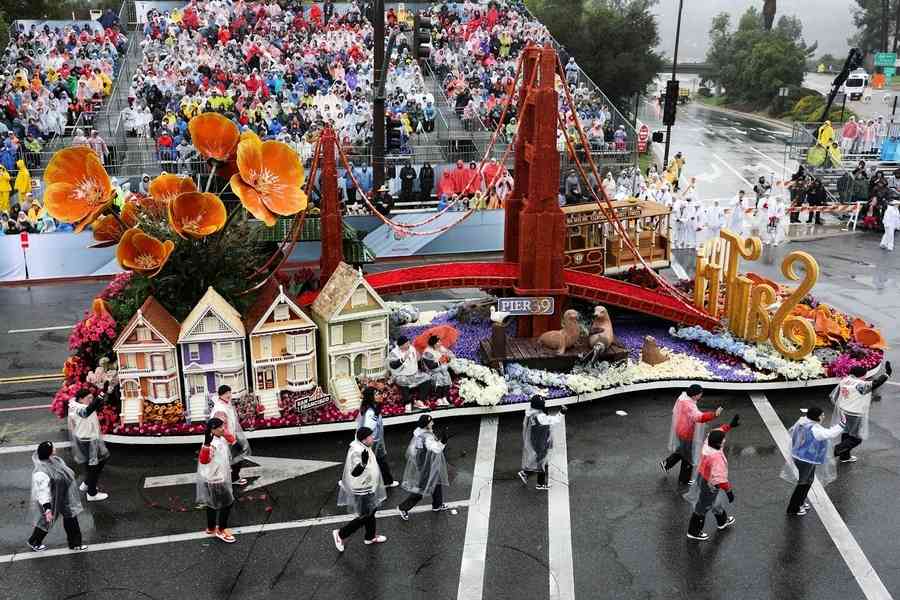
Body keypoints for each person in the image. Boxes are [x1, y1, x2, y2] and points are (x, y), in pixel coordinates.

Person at [333, 427, 388, 551]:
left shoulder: (364, 446)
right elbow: (355, 472)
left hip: (368, 486)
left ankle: (370, 537)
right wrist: (362, 464)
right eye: (370, 436)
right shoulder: (357, 451)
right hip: (362, 488)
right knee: (365, 515)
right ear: (364, 439)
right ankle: (340, 534)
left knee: (371, 511)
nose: (372, 438)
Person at [781, 407, 843, 516]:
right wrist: (842, 424)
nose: (824, 416)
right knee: (803, 482)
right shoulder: (814, 429)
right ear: (817, 417)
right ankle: (793, 508)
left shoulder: (803, 421)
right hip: (806, 459)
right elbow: (829, 434)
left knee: (809, 480)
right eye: (822, 415)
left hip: (800, 456)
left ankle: (800, 502)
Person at [27, 441, 87, 552]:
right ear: (48, 452)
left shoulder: (54, 460)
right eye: (52, 448)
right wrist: (48, 509)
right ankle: (34, 541)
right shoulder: (41, 472)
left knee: (70, 516)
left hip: (63, 496)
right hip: (52, 500)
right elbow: (43, 492)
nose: (55, 448)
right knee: (46, 521)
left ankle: (75, 544)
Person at [659, 385, 724, 485]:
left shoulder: (683, 398)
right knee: (688, 457)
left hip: (680, 429)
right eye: (699, 394)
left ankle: (667, 464)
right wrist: (714, 414)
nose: (700, 396)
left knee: (683, 450)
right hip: (686, 432)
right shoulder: (689, 405)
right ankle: (684, 479)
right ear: (694, 396)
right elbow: (699, 417)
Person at [685, 423, 738, 541]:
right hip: (709, 484)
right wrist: (729, 491)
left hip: (702, 476)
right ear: (720, 443)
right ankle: (693, 531)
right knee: (702, 506)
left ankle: (722, 521)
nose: (725, 439)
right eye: (723, 439)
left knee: (714, 501)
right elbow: (720, 479)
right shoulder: (716, 458)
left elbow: (715, 432)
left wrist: (729, 425)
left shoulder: (708, 444)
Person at [831, 365, 888, 463]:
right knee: (856, 438)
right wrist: (887, 374)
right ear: (862, 375)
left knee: (846, 433)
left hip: (843, 411)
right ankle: (834, 451)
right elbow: (876, 383)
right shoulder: (859, 385)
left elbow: (835, 397)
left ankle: (845, 456)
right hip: (854, 413)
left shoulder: (845, 380)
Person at [398, 414, 450, 519]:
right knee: (422, 489)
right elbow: (436, 449)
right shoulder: (427, 437)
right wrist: (443, 442)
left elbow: (413, 451)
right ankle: (403, 507)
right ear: (426, 425)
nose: (433, 423)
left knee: (437, 482)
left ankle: (437, 504)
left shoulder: (419, 433)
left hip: (425, 464)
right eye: (431, 422)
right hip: (428, 466)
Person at [68, 385, 113, 501]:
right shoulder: (78, 408)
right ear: (81, 399)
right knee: (94, 465)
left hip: (87, 438)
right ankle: (91, 493)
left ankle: (87, 483)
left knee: (97, 462)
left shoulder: (78, 404)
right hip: (88, 440)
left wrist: (104, 390)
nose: (91, 401)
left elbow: (94, 406)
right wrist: (100, 395)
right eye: (89, 398)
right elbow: (87, 412)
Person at [197, 417, 236, 543]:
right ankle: (221, 530)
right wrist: (207, 445)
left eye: (222, 426)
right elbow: (204, 460)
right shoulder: (212, 443)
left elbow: (233, 440)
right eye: (219, 427)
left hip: (214, 477)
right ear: (213, 430)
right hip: (216, 479)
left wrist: (224, 433)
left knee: (212, 504)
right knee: (228, 503)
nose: (222, 428)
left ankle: (211, 527)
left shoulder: (219, 438)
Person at [518, 396, 567, 490]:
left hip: (534, 439)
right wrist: (562, 412)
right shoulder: (540, 417)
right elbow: (554, 420)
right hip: (540, 441)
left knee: (539, 458)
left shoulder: (529, 413)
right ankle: (539, 483)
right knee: (541, 461)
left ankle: (526, 473)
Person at [357, 387, 400, 488]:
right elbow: (368, 429)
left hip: (377, 440)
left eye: (379, 393)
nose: (379, 396)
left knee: (381, 460)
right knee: (365, 463)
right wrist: (371, 443)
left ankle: (387, 481)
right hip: (371, 441)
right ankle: (348, 480)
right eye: (376, 394)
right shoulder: (371, 412)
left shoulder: (373, 408)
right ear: (370, 398)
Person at [211, 385, 251, 486]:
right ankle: (233, 478)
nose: (229, 395)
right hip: (224, 439)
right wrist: (233, 441)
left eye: (229, 392)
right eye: (226, 393)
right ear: (220, 395)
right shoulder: (220, 409)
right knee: (236, 456)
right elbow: (221, 429)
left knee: (234, 457)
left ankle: (232, 477)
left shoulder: (225, 404)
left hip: (229, 437)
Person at [389, 336, 431, 411]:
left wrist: (420, 358)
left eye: (408, 342)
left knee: (427, 378)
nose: (408, 344)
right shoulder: (394, 353)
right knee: (402, 381)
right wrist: (402, 359)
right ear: (401, 345)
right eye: (406, 343)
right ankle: (407, 403)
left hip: (414, 374)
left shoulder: (412, 348)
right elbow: (393, 365)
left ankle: (420, 400)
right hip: (401, 375)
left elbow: (417, 360)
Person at [422, 334, 453, 407]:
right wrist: (440, 361)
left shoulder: (441, 349)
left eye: (440, 342)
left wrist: (448, 358)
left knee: (446, 375)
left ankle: (444, 397)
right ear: (433, 343)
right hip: (432, 372)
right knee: (439, 377)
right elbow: (430, 366)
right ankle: (438, 398)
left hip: (442, 370)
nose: (440, 343)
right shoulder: (428, 352)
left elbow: (449, 357)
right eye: (438, 342)